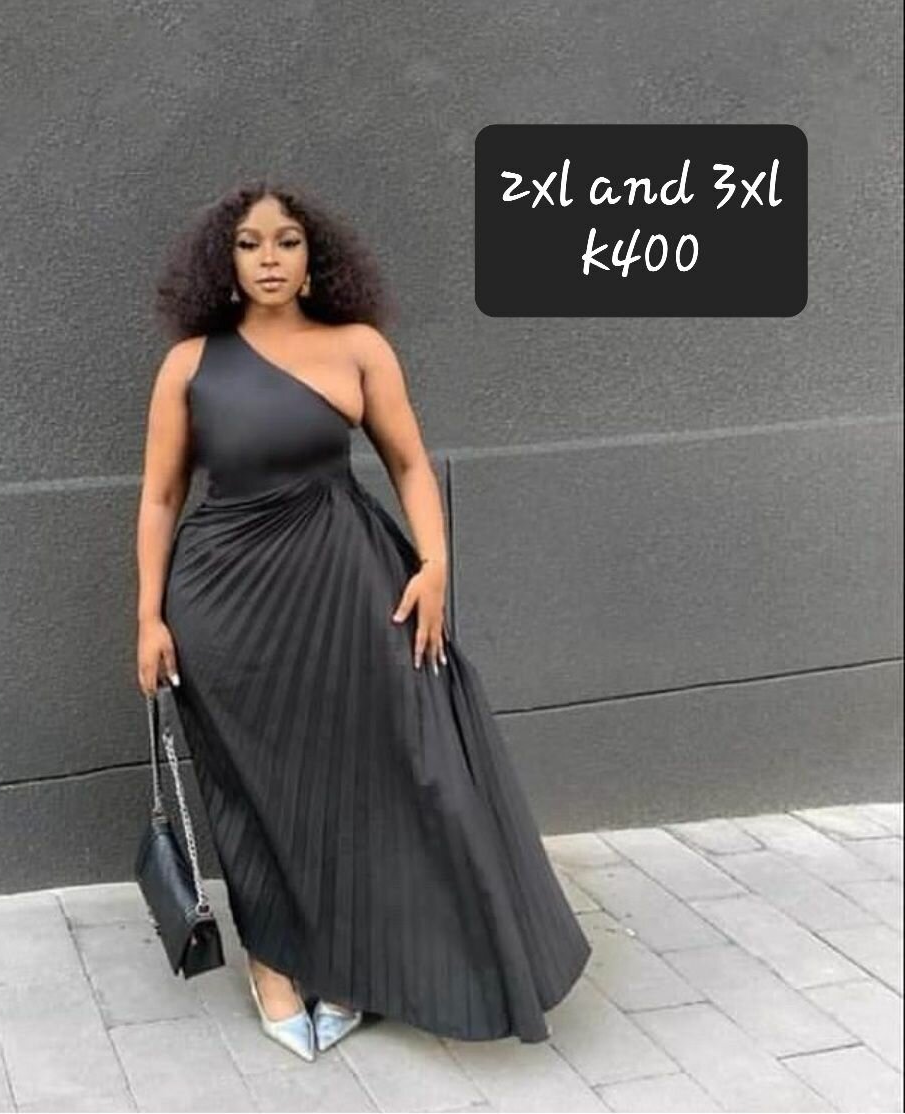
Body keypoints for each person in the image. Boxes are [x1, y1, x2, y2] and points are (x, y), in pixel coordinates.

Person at [135, 182, 591, 1062]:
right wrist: (148, 616)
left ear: (315, 257)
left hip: (348, 593)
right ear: (224, 262)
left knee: (366, 779)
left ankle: (350, 961)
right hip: (224, 606)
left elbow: (410, 463)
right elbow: (160, 498)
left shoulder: (358, 349)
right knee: (254, 788)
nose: (270, 258)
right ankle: (274, 963)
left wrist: (436, 565)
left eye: (287, 241)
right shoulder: (188, 366)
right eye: (249, 244)